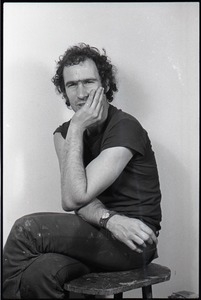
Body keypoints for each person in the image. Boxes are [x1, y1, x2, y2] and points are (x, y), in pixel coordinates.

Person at [3, 43, 162, 299]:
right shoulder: (63, 134)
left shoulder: (125, 127)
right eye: (71, 85)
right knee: (41, 272)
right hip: (98, 234)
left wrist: (75, 127)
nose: (81, 93)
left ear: (105, 84)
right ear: (64, 92)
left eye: (88, 82)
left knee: (27, 229)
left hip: (134, 242)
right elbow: (75, 197)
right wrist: (110, 219)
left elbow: (74, 198)